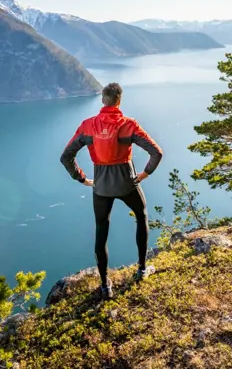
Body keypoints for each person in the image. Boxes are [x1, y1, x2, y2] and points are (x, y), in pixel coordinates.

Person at [60, 82, 163, 300]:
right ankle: (142, 269)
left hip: (101, 186)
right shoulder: (128, 124)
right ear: (119, 100)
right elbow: (156, 152)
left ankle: (105, 285)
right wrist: (144, 174)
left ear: (102, 100)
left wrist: (81, 178)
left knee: (101, 230)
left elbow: (65, 157)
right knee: (141, 215)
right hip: (127, 182)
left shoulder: (88, 125)